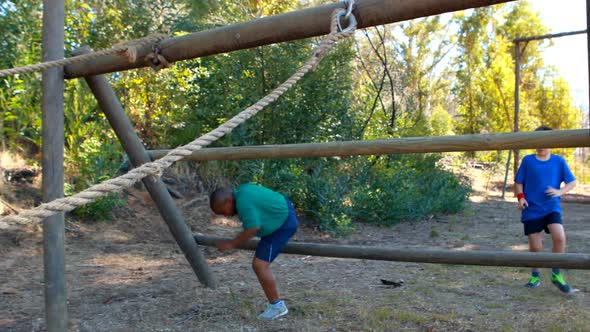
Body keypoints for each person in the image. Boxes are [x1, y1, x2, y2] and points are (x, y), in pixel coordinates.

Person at [209, 183, 298, 319]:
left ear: (228, 201)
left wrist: (231, 244)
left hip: (283, 224)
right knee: (259, 264)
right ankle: (276, 306)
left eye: (222, 211)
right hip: (283, 212)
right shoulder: (243, 191)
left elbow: (252, 229)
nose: (225, 215)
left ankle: (277, 306)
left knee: (259, 265)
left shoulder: (243, 202)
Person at [514, 125, 577, 293]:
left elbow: (572, 181)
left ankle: (556, 273)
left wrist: (559, 191)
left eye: (545, 141)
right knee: (536, 247)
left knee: (560, 236)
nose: (541, 145)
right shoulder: (528, 161)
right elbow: (519, 182)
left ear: (552, 142)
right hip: (532, 209)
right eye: (538, 141)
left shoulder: (559, 161)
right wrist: (521, 198)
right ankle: (535, 275)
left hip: (551, 207)